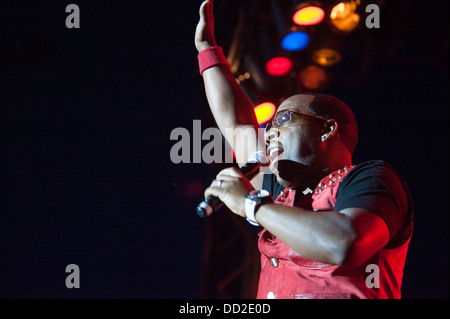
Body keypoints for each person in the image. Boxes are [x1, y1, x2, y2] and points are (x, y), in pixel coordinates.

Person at [195, 0, 413, 299]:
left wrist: (252, 205)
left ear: (327, 128)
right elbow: (238, 126)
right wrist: (207, 51)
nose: (270, 132)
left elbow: (344, 242)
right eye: (269, 126)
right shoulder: (280, 196)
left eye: (283, 119)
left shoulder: (370, 179)